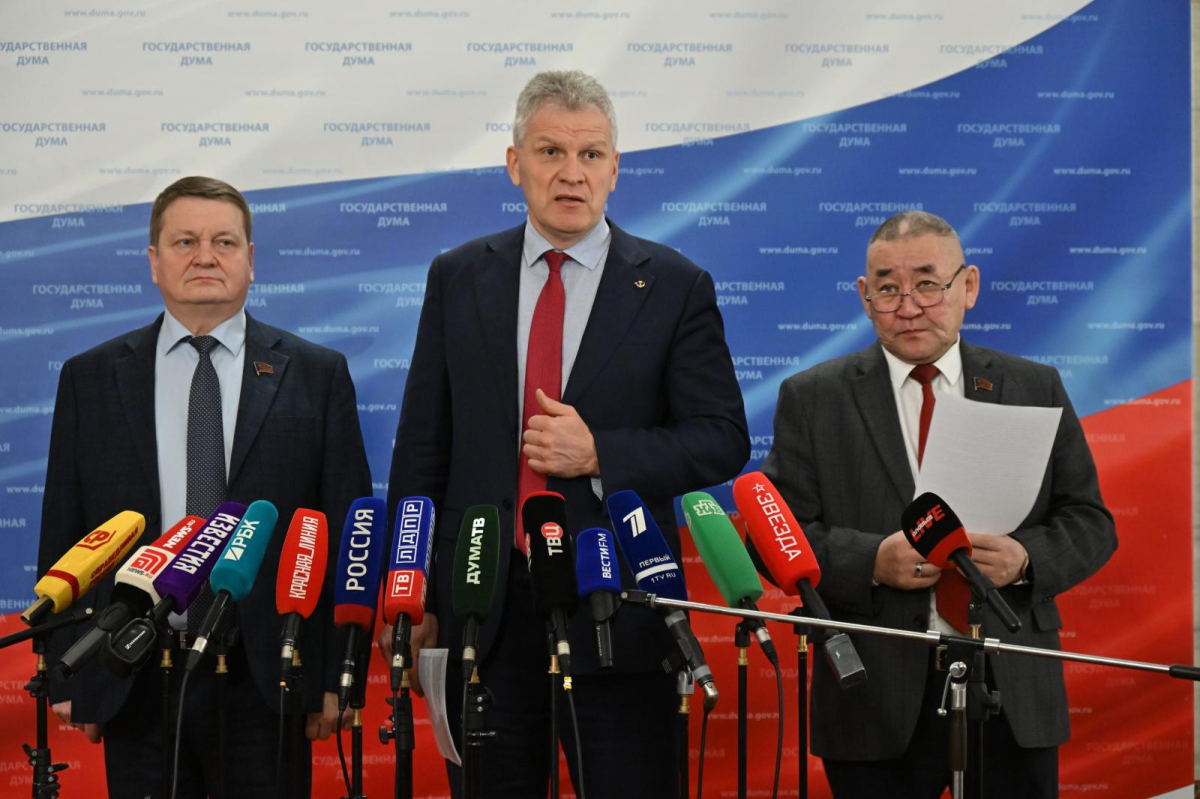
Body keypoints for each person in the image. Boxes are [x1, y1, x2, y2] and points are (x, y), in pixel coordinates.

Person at [384, 70, 749, 798]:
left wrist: (601, 453)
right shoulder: (458, 277)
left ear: (615, 168)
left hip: (618, 603)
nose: (571, 173)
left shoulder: (674, 284)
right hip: (480, 600)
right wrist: (410, 585)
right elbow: (423, 445)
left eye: (590, 155)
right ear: (514, 163)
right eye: (550, 151)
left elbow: (721, 437)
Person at [762, 210, 1117, 798]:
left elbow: (1091, 522)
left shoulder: (1032, 387)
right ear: (864, 295)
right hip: (873, 691)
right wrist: (872, 561)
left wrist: (1025, 559)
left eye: (928, 284)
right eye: (888, 289)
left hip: (1009, 684)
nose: (908, 306)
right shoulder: (813, 397)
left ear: (968, 286)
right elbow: (776, 534)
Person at [37, 176, 371, 798]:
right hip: (134, 667)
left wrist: (336, 675)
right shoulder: (91, 377)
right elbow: (68, 530)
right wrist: (70, 672)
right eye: (185, 241)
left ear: (251, 259)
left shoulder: (317, 375)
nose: (205, 257)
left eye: (224, 242)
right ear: (154, 261)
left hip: (269, 673)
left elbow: (345, 534)